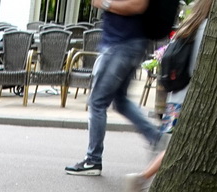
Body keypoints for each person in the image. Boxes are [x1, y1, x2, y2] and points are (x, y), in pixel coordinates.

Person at [65, 0, 162, 176]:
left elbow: (138, 5)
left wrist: (106, 4)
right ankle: (156, 138)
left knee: (97, 102)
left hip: (122, 45)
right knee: (120, 101)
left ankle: (93, 160)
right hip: (125, 44)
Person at [124, 0, 212, 192]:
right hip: (189, 98)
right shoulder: (207, 29)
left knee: (176, 143)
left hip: (175, 97)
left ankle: (148, 179)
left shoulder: (188, 26)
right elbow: (196, 67)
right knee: (179, 146)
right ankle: (144, 177)